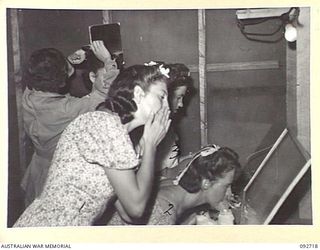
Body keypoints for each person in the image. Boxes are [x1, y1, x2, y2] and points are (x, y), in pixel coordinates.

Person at [13, 63, 171, 227]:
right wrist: (151, 145)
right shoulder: (104, 124)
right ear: (138, 94)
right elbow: (136, 208)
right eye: (162, 97)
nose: (168, 106)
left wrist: (146, 149)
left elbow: (129, 215)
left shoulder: (115, 131)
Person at [20, 41, 119, 206]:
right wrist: (108, 60)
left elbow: (44, 72)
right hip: (56, 172)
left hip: (37, 169)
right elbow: (105, 92)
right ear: (61, 81)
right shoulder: (66, 110)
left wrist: (71, 61)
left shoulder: (29, 95)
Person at [107, 144, 241, 225]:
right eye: (226, 186)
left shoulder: (173, 186)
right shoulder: (163, 215)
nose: (230, 193)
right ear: (206, 183)